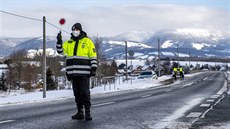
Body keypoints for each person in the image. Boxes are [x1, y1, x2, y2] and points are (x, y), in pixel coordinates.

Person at [56, 23, 97, 121]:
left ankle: (87, 112)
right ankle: (80, 112)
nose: (75, 31)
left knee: (85, 93)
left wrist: (94, 68)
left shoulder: (87, 41)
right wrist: (59, 41)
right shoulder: (69, 42)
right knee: (77, 94)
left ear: (80, 30)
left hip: (84, 73)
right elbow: (60, 51)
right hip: (73, 73)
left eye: (77, 29)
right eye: (73, 30)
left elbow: (93, 55)